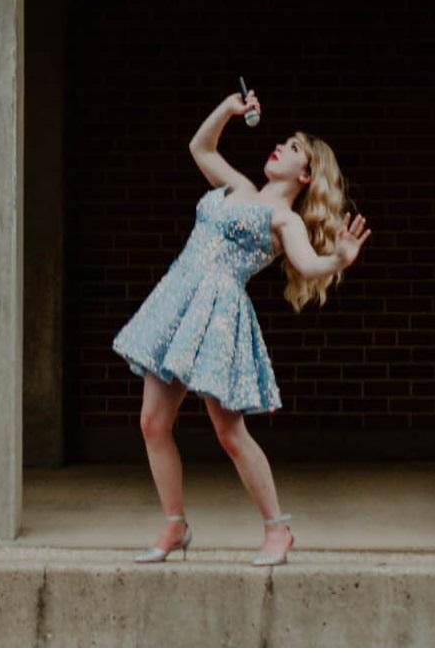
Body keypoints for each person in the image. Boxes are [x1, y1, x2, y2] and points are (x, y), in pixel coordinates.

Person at [112, 88, 371, 566]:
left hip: (217, 314)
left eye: (294, 148)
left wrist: (338, 257)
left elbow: (310, 264)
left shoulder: (283, 218)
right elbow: (201, 148)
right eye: (284, 141)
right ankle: (175, 525)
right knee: (152, 422)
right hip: (177, 301)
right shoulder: (238, 187)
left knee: (229, 432)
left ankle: (278, 529)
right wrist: (228, 111)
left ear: (306, 174)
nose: (281, 146)